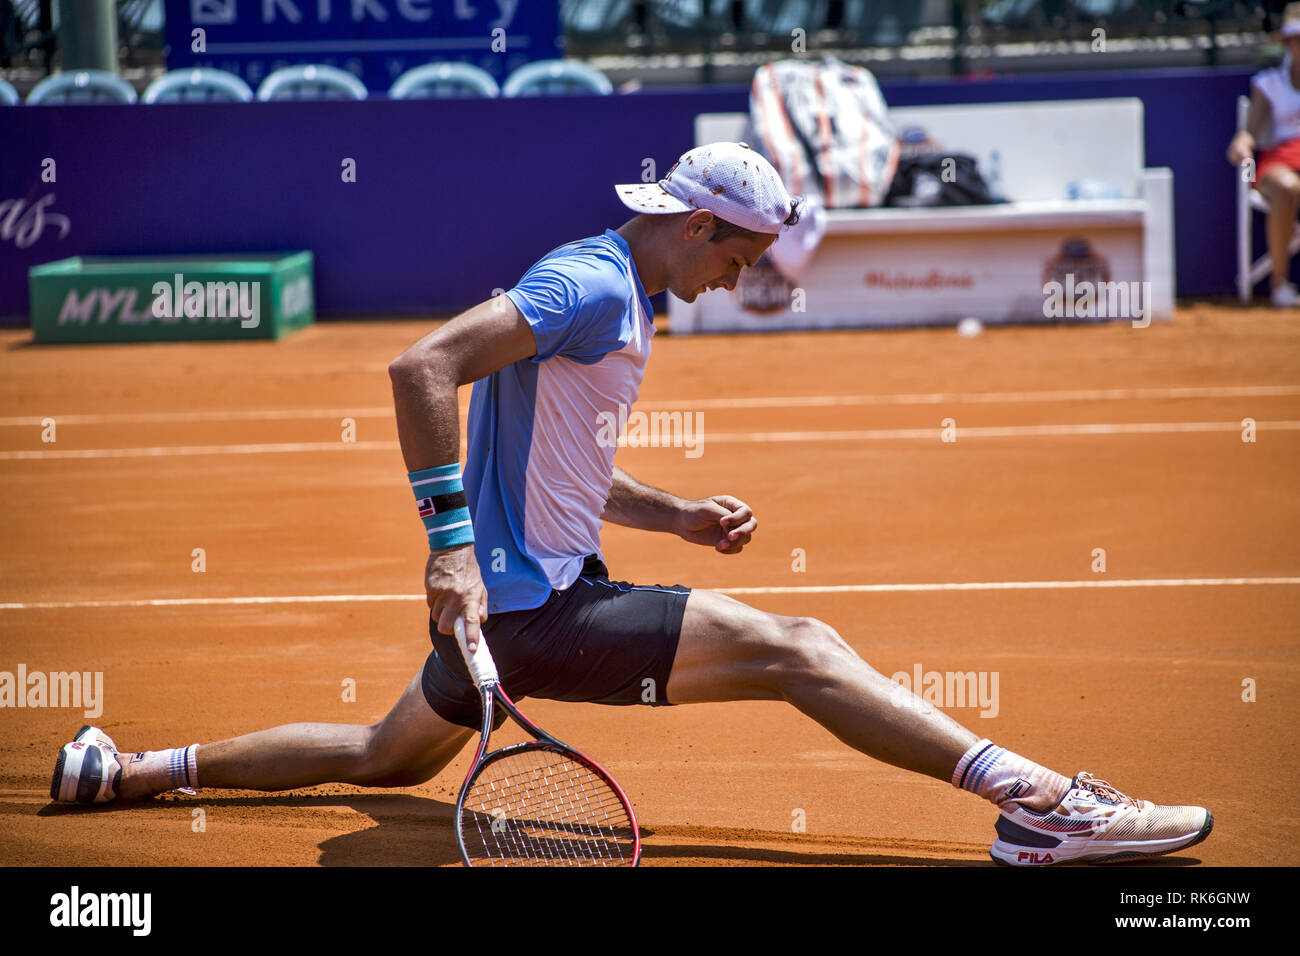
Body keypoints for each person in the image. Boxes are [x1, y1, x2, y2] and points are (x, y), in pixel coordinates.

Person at [51, 142, 1212, 866]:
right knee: (800, 647)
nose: (739, 280)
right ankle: (1037, 803)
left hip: (525, 602)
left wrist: (677, 516)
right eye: (742, 257)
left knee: (378, 754)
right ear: (697, 223)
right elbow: (423, 368)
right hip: (524, 609)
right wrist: (449, 550)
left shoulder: (622, 291)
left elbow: (562, 465)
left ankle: (128, 769)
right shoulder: (593, 280)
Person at [1228, 1, 1300, 307]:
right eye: (1296, 39)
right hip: (1281, 159)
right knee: (1287, 188)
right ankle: (1279, 284)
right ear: (1286, 44)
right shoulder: (1268, 84)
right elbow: (1250, 134)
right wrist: (1242, 146)